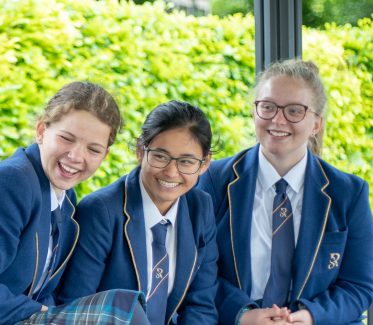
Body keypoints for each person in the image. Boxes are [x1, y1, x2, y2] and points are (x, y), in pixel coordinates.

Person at [197, 59, 373, 325]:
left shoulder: (349, 193)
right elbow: (198, 271)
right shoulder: (213, 180)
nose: (278, 119)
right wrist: (243, 314)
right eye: (267, 107)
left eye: (294, 111)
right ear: (253, 112)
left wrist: (310, 317)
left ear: (316, 123)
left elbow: (357, 287)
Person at [58, 100, 219, 324]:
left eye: (186, 161)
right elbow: (77, 307)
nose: (171, 172)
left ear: (205, 163)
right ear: (140, 150)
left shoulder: (200, 207)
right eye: (160, 156)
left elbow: (201, 306)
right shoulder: (100, 211)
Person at [0, 81, 146, 324]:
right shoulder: (13, 181)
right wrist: (41, 312)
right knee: (122, 314)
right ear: (41, 130)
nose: (76, 157)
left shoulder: (65, 199)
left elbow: (44, 288)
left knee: (126, 304)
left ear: (105, 155)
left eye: (93, 149)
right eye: (67, 138)